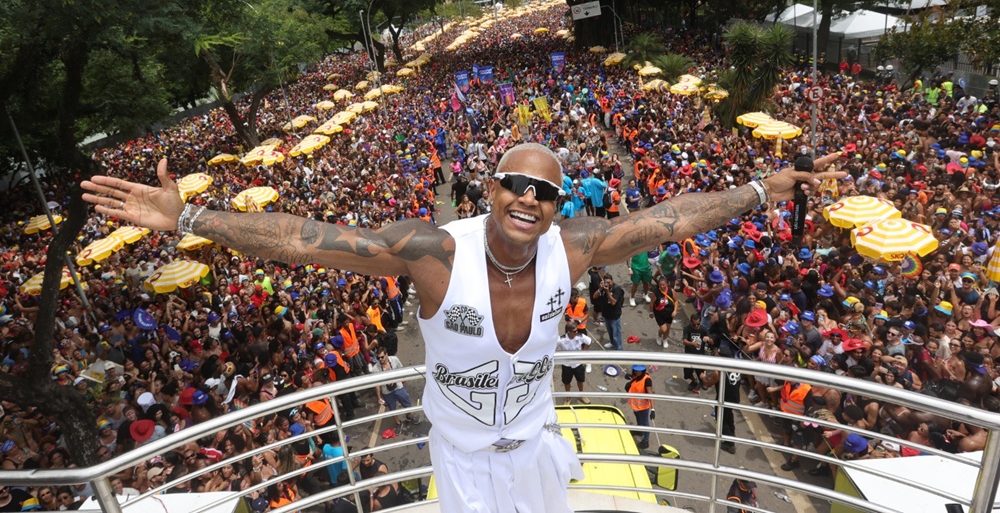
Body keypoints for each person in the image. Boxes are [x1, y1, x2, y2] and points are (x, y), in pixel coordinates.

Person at [83, 143, 840, 513]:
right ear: (489, 188)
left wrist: (760, 188)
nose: (529, 199)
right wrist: (188, 216)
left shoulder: (575, 248)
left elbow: (672, 219)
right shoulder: (433, 252)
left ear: (558, 205)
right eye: (516, 184)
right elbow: (302, 239)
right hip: (463, 458)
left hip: (536, 444)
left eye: (545, 191)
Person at [555, 321, 591, 404]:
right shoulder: (561, 340)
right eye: (574, 331)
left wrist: (584, 352)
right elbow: (553, 349)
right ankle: (568, 397)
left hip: (578, 363)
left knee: (580, 380)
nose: (576, 332)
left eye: (577, 330)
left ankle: (582, 395)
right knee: (567, 382)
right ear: (569, 331)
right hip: (566, 364)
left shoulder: (580, 336)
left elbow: (589, 342)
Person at [625, 365, 653, 449]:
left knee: (645, 423)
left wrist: (653, 409)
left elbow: (651, 395)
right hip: (635, 405)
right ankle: (640, 431)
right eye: (635, 370)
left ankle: (646, 441)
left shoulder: (647, 380)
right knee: (638, 419)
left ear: (643, 371)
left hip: (643, 407)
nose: (637, 372)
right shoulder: (636, 376)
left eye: (639, 371)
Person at [594, 272, 625, 350]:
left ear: (612, 280)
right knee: (610, 331)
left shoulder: (617, 289)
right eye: (606, 282)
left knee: (616, 333)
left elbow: (613, 302)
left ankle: (619, 348)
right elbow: (594, 296)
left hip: (614, 315)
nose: (608, 284)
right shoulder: (603, 289)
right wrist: (600, 288)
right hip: (606, 314)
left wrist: (607, 292)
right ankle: (612, 342)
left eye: (609, 282)